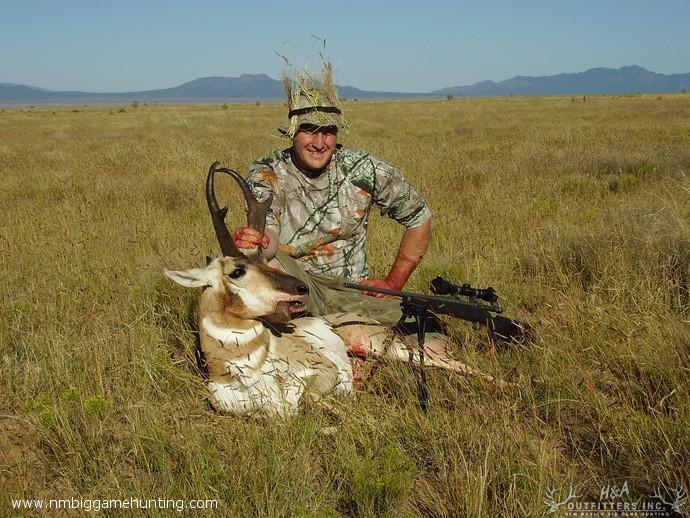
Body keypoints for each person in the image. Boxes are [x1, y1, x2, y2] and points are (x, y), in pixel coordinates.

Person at [232, 64, 433, 316]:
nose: (319, 143)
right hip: (293, 285)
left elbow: (420, 218)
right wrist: (256, 241)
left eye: (328, 132)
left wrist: (393, 283)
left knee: (421, 330)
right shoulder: (267, 172)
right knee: (252, 272)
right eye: (309, 130)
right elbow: (269, 238)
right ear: (293, 132)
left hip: (351, 292)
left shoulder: (364, 168)